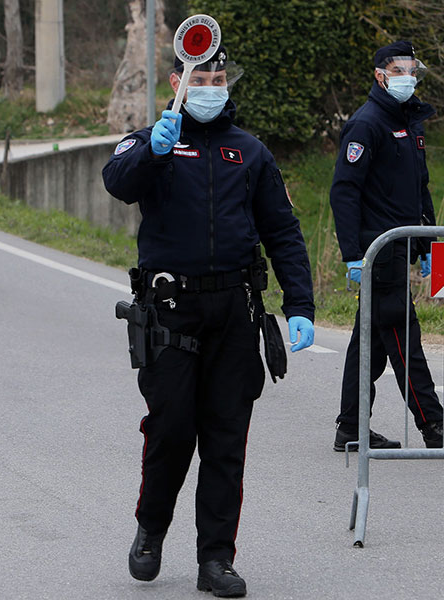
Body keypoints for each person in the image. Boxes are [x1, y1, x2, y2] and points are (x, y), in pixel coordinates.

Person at [102, 44, 315, 598]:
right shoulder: (153, 140)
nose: (212, 87)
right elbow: (118, 181)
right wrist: (152, 149)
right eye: (202, 78)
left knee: (226, 439)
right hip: (171, 309)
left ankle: (216, 559)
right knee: (172, 430)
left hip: (235, 311)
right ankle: (151, 530)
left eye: (220, 78)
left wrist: (301, 304)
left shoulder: (250, 152)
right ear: (178, 82)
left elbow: (283, 231)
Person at [329, 41, 444, 452]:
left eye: (412, 70)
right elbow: (344, 192)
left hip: (401, 246)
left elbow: (420, 188)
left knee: (370, 346)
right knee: (402, 338)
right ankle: (433, 426)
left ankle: (350, 427)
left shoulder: (410, 122)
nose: (407, 78)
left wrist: (428, 242)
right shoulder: (366, 124)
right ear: (380, 76)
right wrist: (352, 255)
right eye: (399, 71)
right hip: (379, 252)